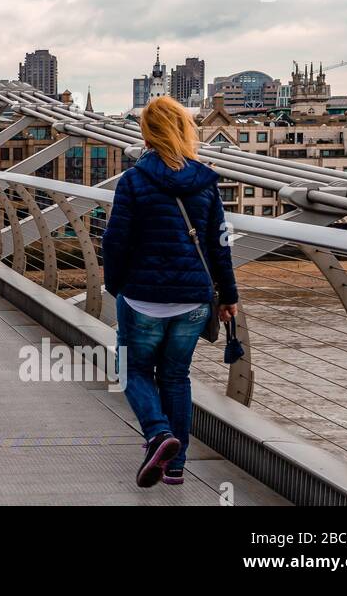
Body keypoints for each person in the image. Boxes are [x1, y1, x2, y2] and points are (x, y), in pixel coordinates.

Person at [102, 95, 239, 488]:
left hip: (143, 297)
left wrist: (117, 287)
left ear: (146, 134)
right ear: (184, 130)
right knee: (176, 378)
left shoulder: (133, 180)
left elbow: (115, 241)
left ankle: (159, 434)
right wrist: (228, 297)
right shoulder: (206, 181)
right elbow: (219, 245)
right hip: (193, 300)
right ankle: (175, 467)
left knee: (132, 370)